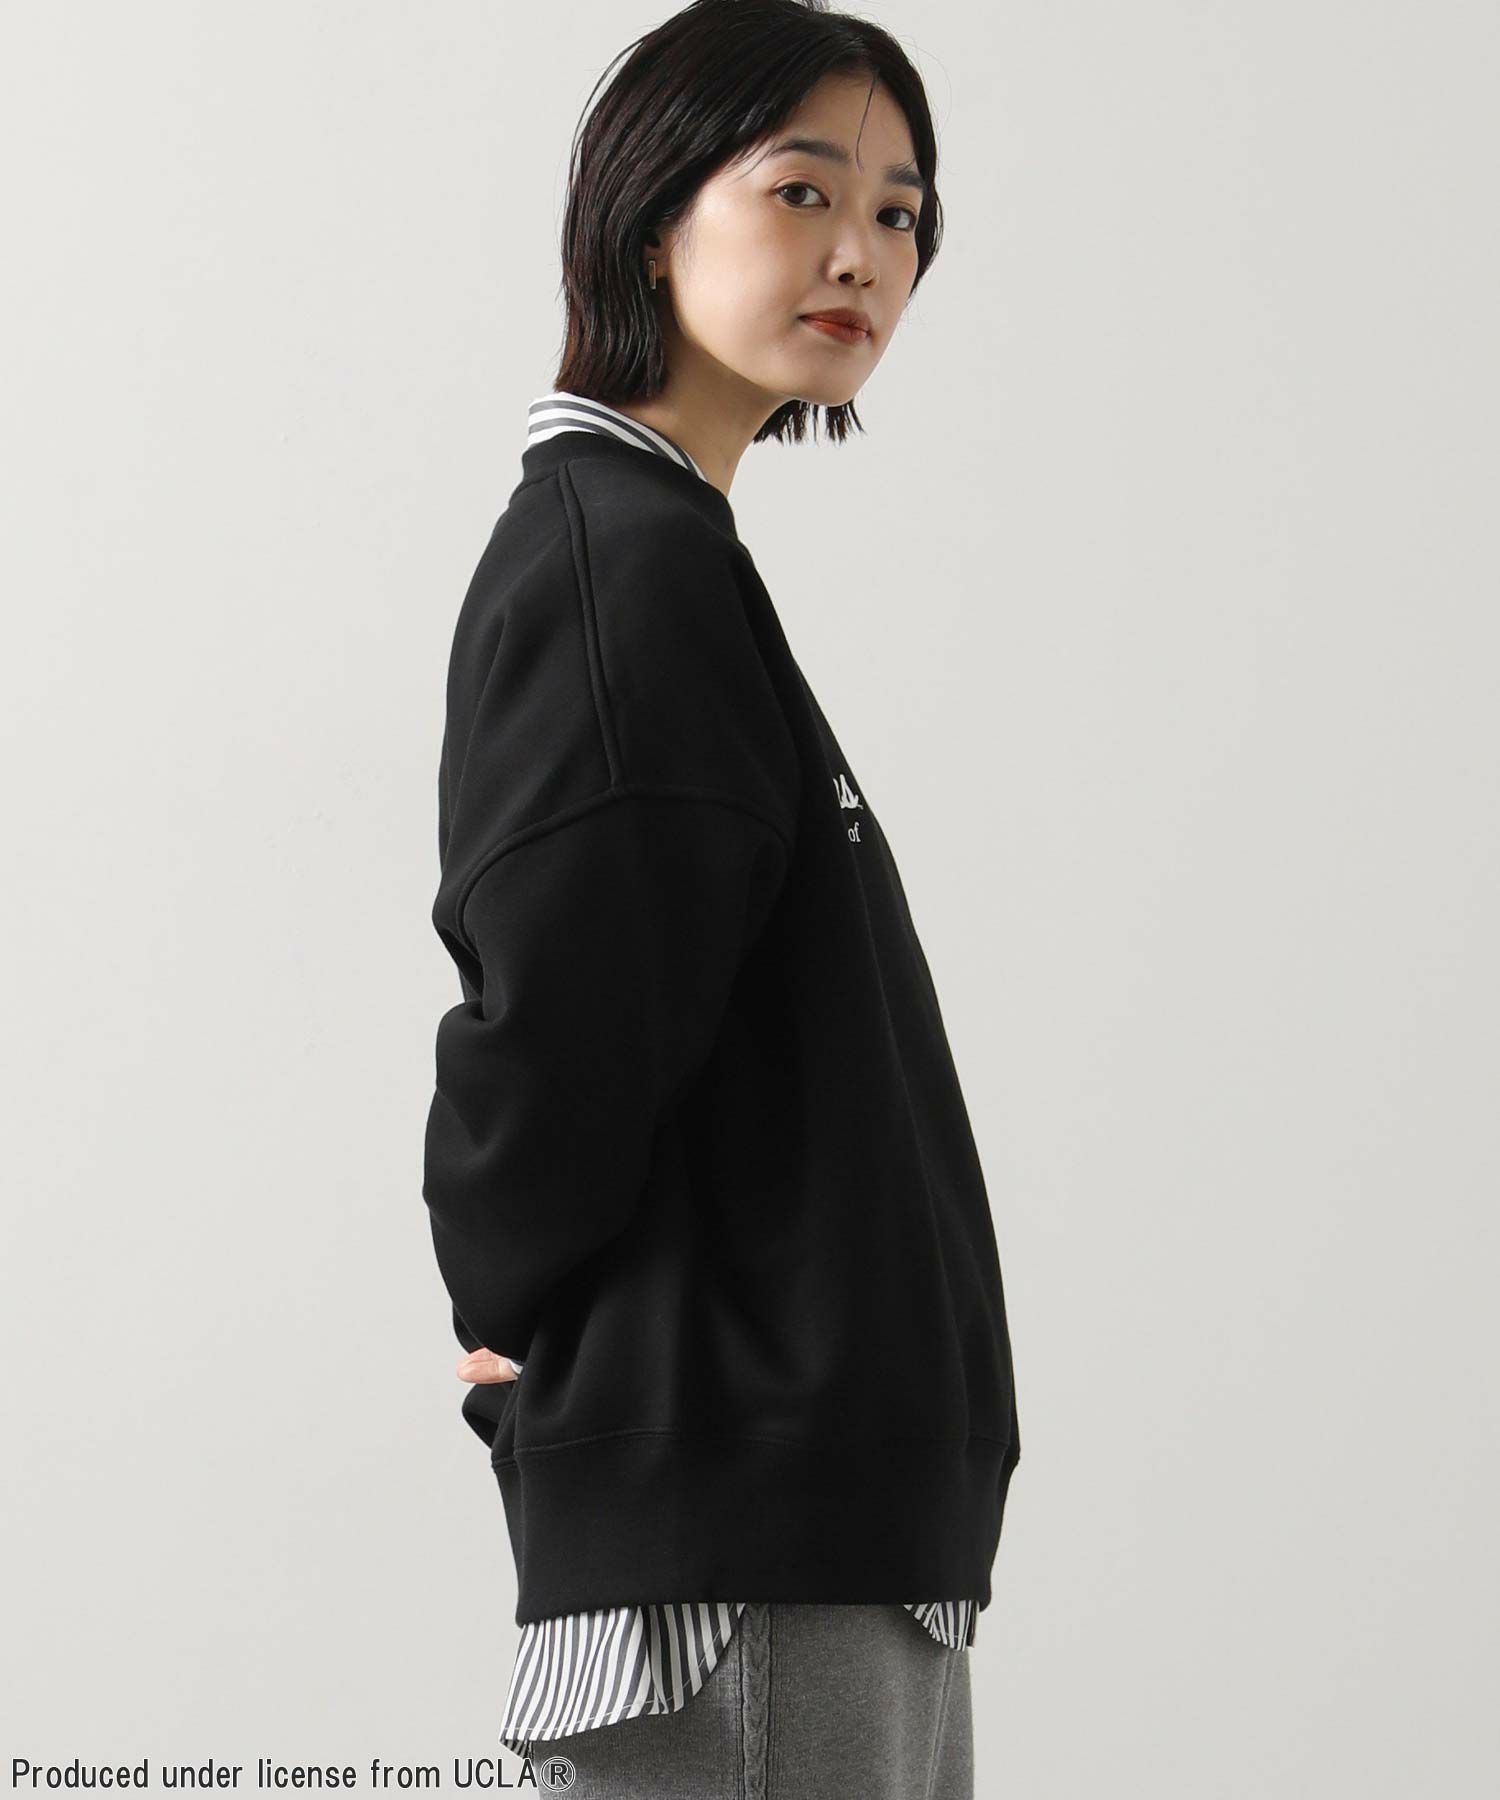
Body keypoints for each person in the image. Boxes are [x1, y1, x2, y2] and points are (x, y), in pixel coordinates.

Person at [421, 3, 1021, 1794]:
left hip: (803, 1532)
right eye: (802, 190)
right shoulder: (626, 566)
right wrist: (510, 1302)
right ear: (647, 215)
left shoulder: (667, 553)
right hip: (742, 1552)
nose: (863, 253)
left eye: (902, 212)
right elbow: (560, 1022)